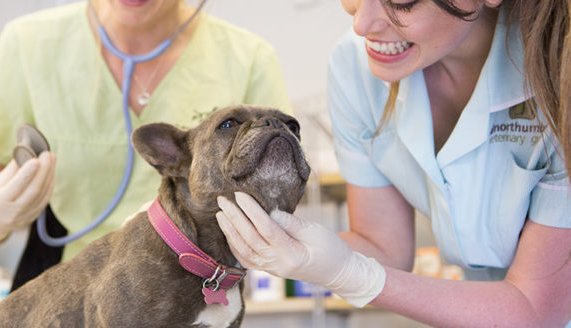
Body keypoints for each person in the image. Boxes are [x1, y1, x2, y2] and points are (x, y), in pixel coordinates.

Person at [216, 0, 571, 326]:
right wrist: (285, 245)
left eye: (401, 1)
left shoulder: (560, 80)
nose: (362, 24)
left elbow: (535, 309)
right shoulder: (356, 66)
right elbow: (384, 247)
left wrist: (356, 276)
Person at [0, 0, 291, 279]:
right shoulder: (27, 44)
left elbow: (281, 195)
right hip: (72, 286)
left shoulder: (248, 57)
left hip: (198, 292)